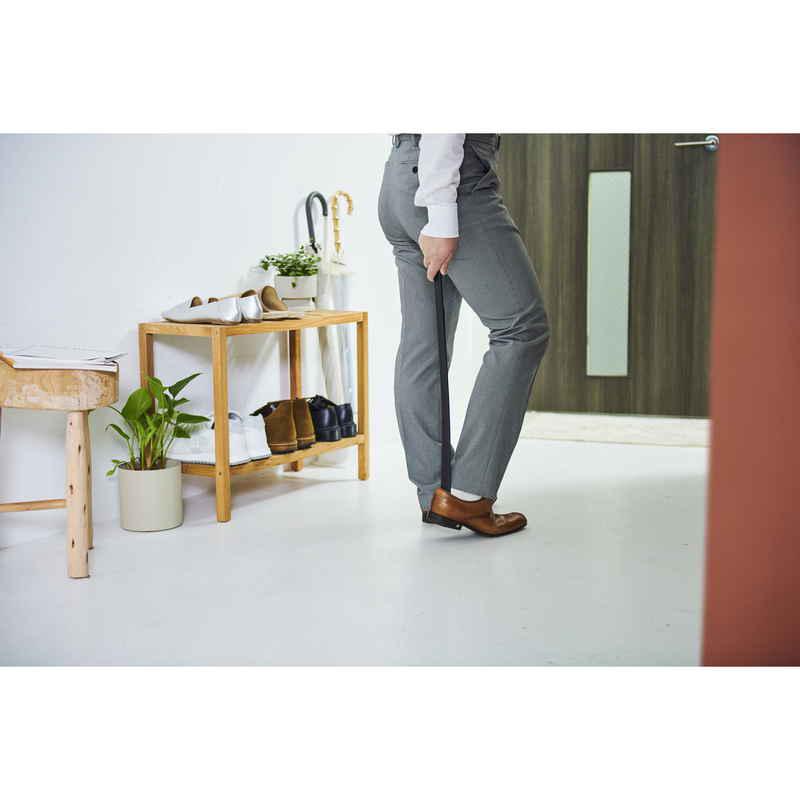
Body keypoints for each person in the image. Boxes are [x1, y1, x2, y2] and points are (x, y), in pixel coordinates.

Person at [378, 134, 550, 536]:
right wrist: (441, 213)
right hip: (451, 178)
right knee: (521, 328)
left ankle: (435, 493)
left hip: (399, 177)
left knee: (424, 343)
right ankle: (468, 496)